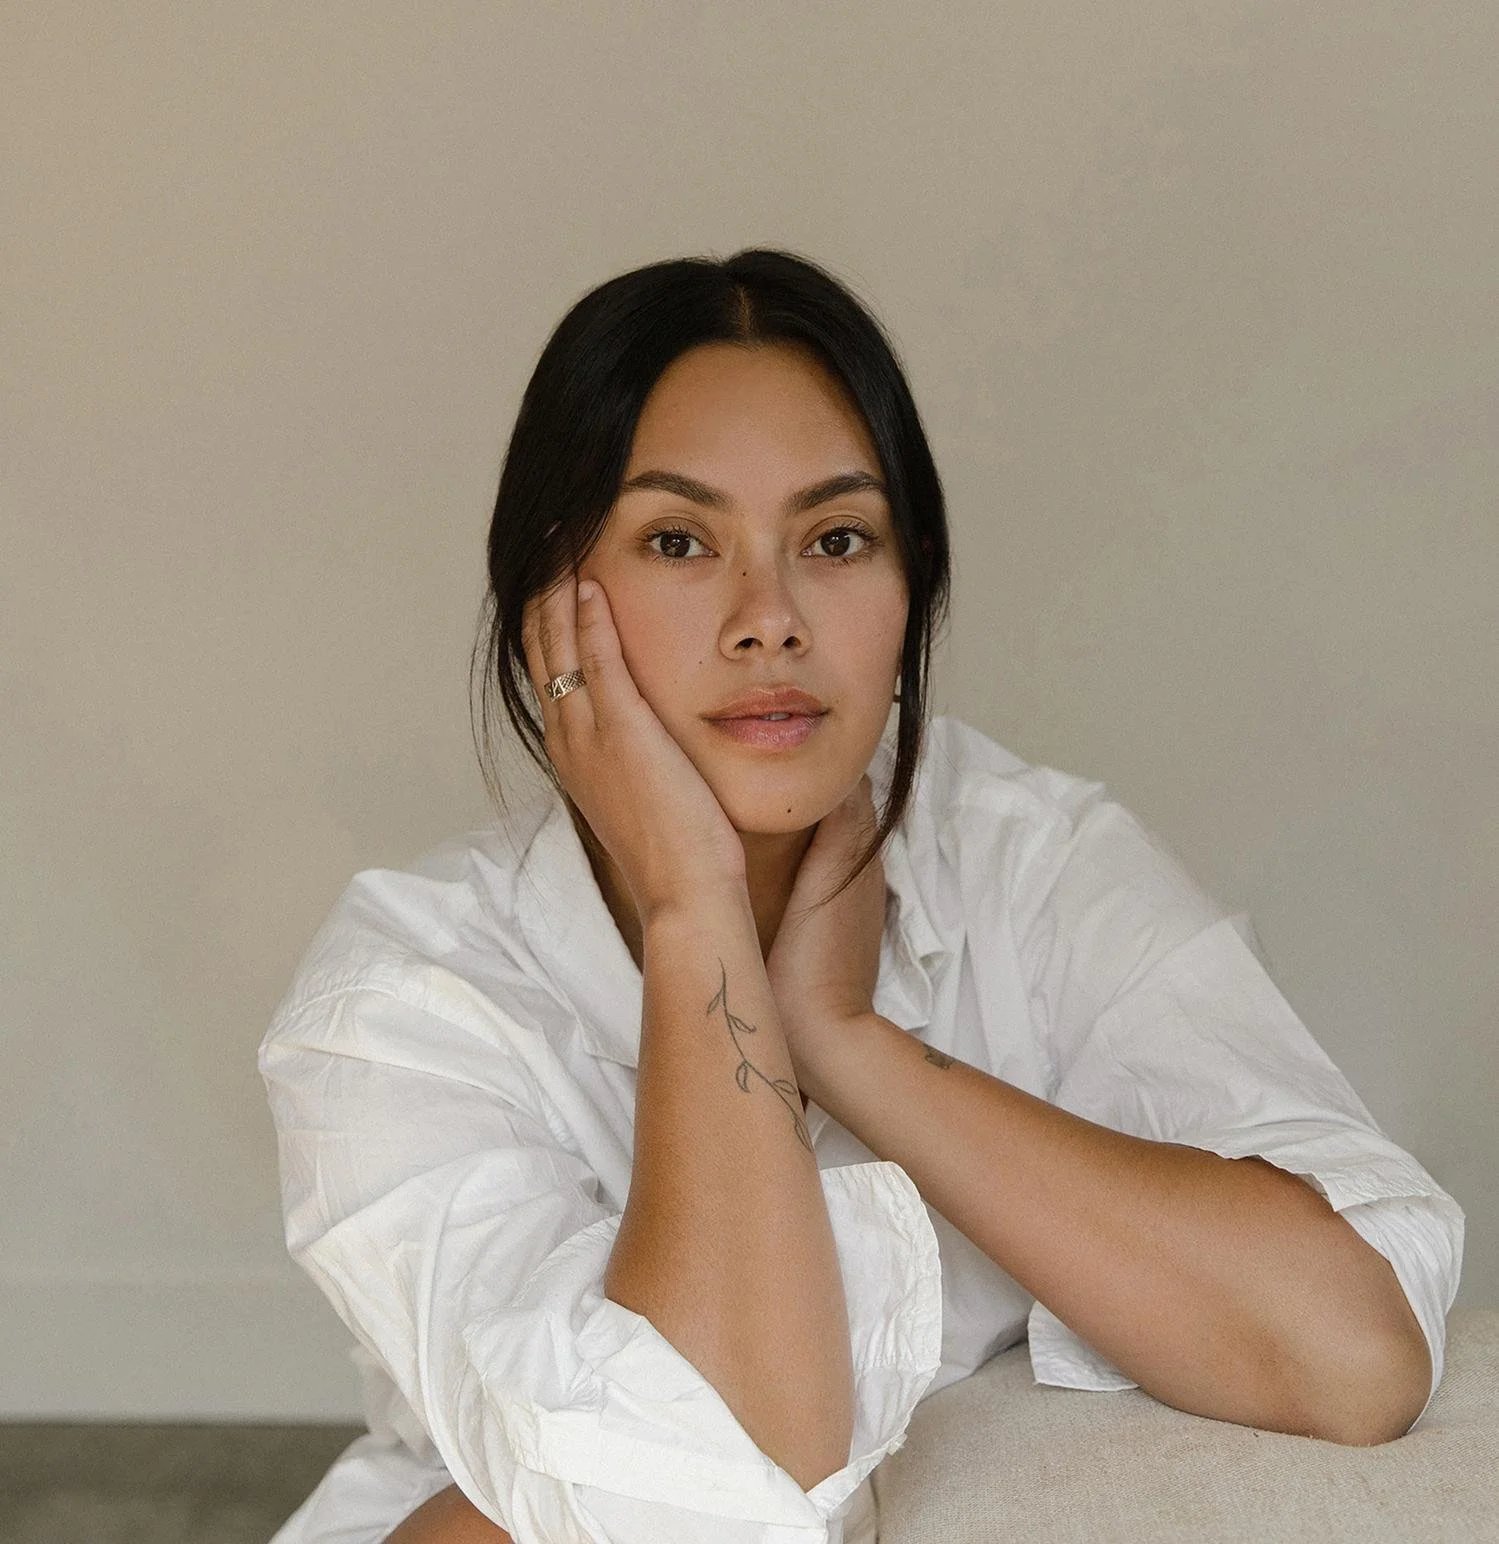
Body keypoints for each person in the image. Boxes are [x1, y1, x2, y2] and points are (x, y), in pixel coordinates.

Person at [259, 249, 1464, 1544]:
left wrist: (846, 1041)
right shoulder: (403, 1003)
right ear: (553, 597)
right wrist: (693, 911)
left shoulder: (1028, 860)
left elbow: (1349, 1355)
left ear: (911, 591)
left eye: (836, 539)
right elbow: (691, 1499)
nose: (768, 618)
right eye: (678, 540)